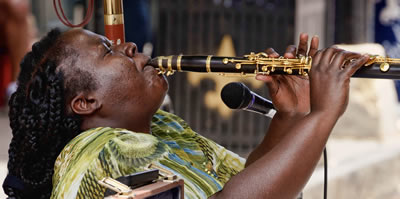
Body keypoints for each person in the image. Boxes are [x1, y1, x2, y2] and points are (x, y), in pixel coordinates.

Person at [2, 27, 370, 199]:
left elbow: (245, 184)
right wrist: (323, 115)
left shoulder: (160, 127)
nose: (128, 46)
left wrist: (291, 115)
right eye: (107, 51)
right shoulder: (99, 152)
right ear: (85, 102)